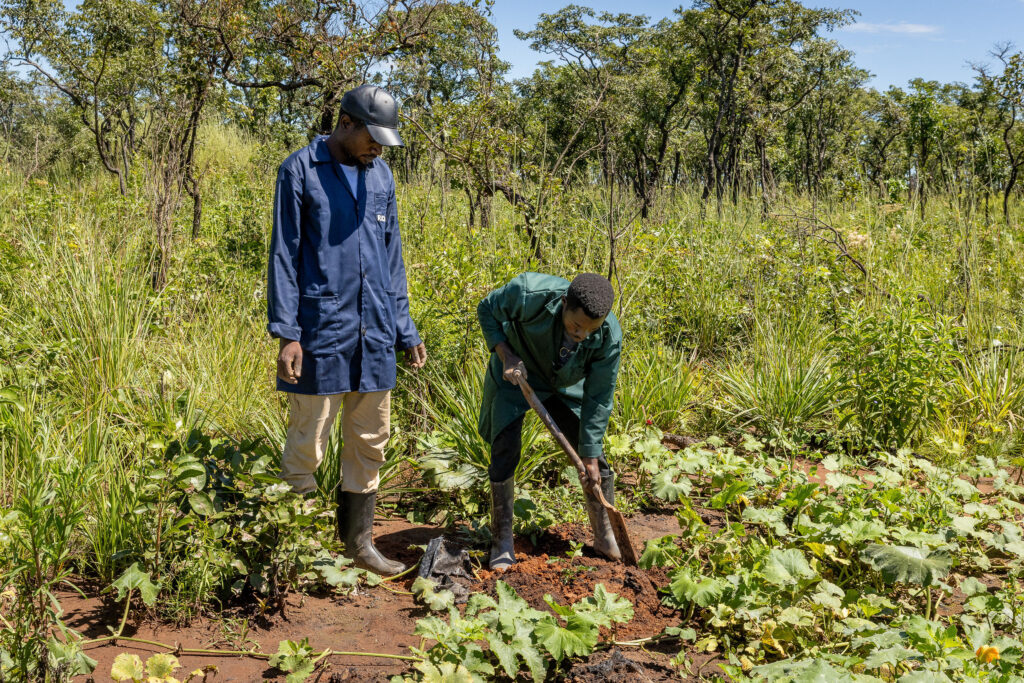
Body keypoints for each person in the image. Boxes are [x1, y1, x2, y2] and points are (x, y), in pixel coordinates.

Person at [266, 84, 427, 576]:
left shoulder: (381, 176)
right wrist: (288, 332)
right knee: (307, 444)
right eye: (372, 136)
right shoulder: (300, 170)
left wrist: (405, 326)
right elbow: (284, 255)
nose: (378, 147)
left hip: (375, 330)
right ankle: (299, 552)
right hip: (320, 331)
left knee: (370, 439)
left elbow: (392, 257)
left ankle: (358, 545)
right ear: (347, 123)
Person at [477, 272, 622, 570]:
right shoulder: (529, 293)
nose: (581, 335)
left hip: (565, 386)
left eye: (589, 331)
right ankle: (502, 540)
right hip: (518, 373)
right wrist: (505, 354)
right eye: (576, 326)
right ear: (564, 303)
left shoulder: (608, 335)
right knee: (505, 447)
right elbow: (487, 308)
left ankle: (605, 535)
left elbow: (599, 396)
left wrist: (590, 454)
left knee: (595, 459)